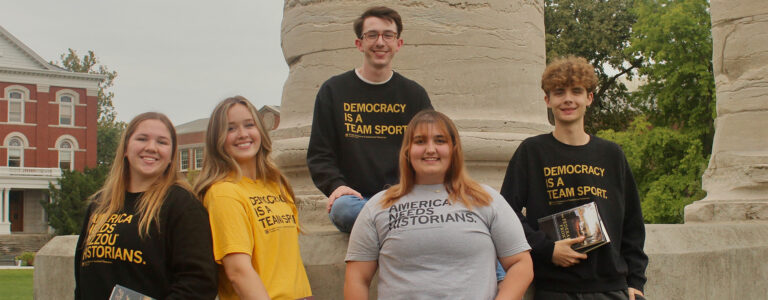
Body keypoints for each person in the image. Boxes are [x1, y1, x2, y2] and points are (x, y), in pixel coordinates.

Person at [500, 56, 648, 300]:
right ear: (548, 100)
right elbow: (505, 212)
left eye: (576, 91)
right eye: (559, 93)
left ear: (589, 98)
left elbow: (632, 223)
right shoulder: (532, 151)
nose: (568, 99)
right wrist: (547, 249)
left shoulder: (612, 154)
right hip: (553, 288)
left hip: (610, 287)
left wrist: (636, 281)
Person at [344, 110, 533, 300]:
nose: (430, 149)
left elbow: (521, 264)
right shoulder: (378, 206)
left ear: (454, 148)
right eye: (420, 141)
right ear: (407, 150)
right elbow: (357, 278)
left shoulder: (486, 199)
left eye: (440, 140)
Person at [307, 6, 433, 233]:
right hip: (354, 198)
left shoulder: (414, 95)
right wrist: (336, 187)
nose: (380, 42)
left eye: (388, 35)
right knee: (343, 210)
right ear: (360, 44)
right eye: (372, 35)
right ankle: (402, 226)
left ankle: (391, 224)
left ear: (398, 44)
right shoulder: (333, 90)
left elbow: (431, 147)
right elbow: (319, 154)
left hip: (402, 195)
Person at [74, 112, 217, 300]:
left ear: (171, 155)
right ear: (125, 148)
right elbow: (82, 278)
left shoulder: (181, 205)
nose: (151, 148)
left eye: (162, 142)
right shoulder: (100, 204)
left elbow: (199, 284)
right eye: (142, 139)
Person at [194, 96, 312, 300]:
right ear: (217, 139)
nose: (242, 134)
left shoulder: (277, 185)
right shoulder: (223, 193)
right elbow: (238, 272)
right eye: (230, 128)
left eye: (249, 125)